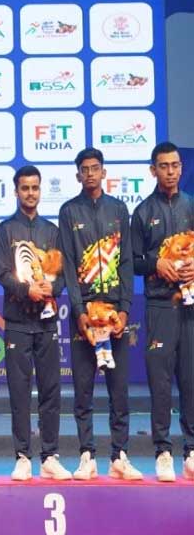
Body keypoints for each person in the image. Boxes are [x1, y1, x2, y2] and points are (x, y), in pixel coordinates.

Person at [59, 147, 139, 480]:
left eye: (95, 168)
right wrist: (79, 313)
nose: (90, 173)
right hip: (85, 314)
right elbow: (67, 263)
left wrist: (125, 310)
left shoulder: (119, 209)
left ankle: (119, 455)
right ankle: (87, 455)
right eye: (85, 169)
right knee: (83, 390)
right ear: (78, 175)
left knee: (119, 390)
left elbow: (127, 261)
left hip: (114, 313)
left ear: (104, 172)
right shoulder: (68, 211)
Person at [0, 166, 72, 481]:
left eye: (35, 188)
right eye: (25, 188)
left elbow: (63, 275)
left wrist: (51, 289)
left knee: (51, 390)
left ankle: (50, 456)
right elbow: (1, 273)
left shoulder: (52, 231)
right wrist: (27, 290)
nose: (30, 193)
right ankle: (23, 456)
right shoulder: (5, 230)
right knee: (19, 392)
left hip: (46, 323)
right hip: (16, 321)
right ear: (16, 191)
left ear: (40, 191)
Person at [131, 141, 194, 482]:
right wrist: (156, 263)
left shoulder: (191, 206)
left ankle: (192, 451)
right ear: (153, 170)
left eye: (175, 165)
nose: (170, 172)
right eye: (164, 166)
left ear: (181, 168)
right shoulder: (143, 212)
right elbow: (132, 261)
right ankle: (163, 451)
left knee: (191, 379)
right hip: (159, 305)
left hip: (190, 305)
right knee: (160, 383)